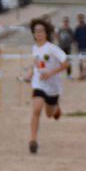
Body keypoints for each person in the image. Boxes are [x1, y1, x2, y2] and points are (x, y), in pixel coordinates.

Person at [22, 18, 69, 155]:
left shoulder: (52, 49)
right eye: (36, 31)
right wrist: (30, 75)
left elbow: (66, 63)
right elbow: (36, 64)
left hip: (53, 87)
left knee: (49, 114)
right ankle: (33, 140)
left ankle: (56, 109)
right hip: (39, 84)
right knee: (36, 109)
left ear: (46, 33)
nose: (38, 33)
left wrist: (51, 73)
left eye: (41, 31)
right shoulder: (34, 48)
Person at [73, 13, 86, 81]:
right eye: (79, 18)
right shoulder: (77, 28)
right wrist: (75, 46)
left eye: (81, 18)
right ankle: (81, 75)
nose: (80, 19)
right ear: (78, 19)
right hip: (80, 47)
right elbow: (75, 38)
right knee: (80, 62)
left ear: (84, 18)